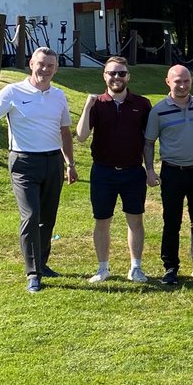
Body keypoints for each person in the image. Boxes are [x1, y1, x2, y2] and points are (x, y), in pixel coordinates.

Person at [0, 46, 77, 293]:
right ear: (31, 63)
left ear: (56, 69)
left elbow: (65, 132)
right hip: (23, 163)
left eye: (50, 66)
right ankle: (33, 273)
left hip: (52, 162)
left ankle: (42, 263)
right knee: (30, 216)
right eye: (41, 64)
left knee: (47, 219)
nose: (45, 69)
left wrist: (70, 164)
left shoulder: (59, 96)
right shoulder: (12, 91)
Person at [76, 56, 152, 284]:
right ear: (104, 76)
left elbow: (149, 141)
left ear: (128, 76)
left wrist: (149, 169)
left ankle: (135, 268)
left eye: (121, 73)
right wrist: (88, 105)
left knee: (135, 221)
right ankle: (102, 268)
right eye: (112, 73)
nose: (117, 77)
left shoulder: (142, 104)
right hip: (103, 172)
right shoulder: (97, 103)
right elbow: (80, 136)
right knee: (102, 221)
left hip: (133, 172)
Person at [144, 64, 193, 288]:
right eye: (177, 81)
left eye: (186, 81)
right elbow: (148, 142)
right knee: (172, 221)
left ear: (191, 81)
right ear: (168, 82)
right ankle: (170, 267)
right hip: (172, 172)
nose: (182, 85)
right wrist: (149, 169)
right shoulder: (158, 110)